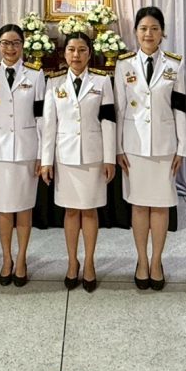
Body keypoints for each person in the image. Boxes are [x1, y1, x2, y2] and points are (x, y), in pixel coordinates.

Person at [114, 7, 186, 291]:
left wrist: (182, 148)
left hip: (164, 146)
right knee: (139, 205)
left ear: (162, 33)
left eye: (154, 28)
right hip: (133, 146)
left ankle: (157, 261)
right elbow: (119, 109)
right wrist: (117, 148)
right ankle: (141, 261)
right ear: (135, 32)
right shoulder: (124, 64)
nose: (149, 34)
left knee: (161, 205)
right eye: (143, 28)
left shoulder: (175, 65)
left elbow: (181, 107)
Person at [40, 32, 116, 292]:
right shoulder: (54, 83)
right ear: (64, 53)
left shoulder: (102, 81)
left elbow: (108, 121)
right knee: (71, 212)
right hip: (65, 157)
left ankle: (90, 262)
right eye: (71, 49)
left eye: (82, 50)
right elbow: (49, 125)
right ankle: (72, 262)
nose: (76, 55)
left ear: (89, 53)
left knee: (90, 211)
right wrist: (46, 161)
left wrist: (110, 158)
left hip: (93, 157)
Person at [0, 24, 45, 286]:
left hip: (27, 151)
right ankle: (6, 258)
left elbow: (41, 117)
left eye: (16, 43)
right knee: (3, 209)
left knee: (24, 208)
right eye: (5, 43)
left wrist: (41, 155)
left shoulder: (36, 75)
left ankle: (21, 259)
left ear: (23, 46)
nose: (10, 48)